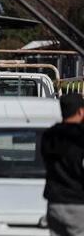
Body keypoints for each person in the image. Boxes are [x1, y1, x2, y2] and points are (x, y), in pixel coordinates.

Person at [41, 93, 84, 236]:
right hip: (78, 203)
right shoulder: (80, 136)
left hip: (55, 203)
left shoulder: (50, 135)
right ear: (80, 111)